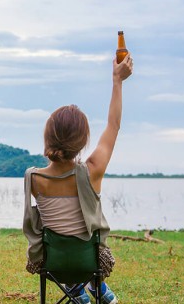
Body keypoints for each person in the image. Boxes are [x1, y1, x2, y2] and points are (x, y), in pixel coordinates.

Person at [22, 54, 133, 304]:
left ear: (47, 137)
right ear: (83, 142)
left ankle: (76, 287)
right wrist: (118, 81)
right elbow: (113, 125)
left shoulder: (33, 177)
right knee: (89, 249)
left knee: (65, 246)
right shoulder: (92, 170)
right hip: (90, 261)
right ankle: (93, 285)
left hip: (52, 262)